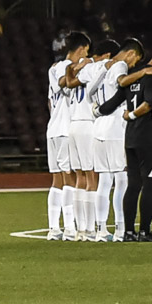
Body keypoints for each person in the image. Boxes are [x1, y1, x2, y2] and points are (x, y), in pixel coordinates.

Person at [114, 44, 152, 240]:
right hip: (149, 137)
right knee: (150, 183)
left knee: (133, 185)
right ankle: (144, 231)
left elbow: (116, 95)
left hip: (131, 137)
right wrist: (134, 114)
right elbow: (149, 102)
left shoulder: (133, 75)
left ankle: (128, 232)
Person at [89, 37, 143, 237]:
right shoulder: (120, 65)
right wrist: (140, 74)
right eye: (135, 59)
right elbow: (121, 82)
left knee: (104, 180)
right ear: (130, 53)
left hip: (99, 125)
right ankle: (120, 227)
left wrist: (98, 109)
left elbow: (89, 91)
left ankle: (101, 229)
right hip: (115, 126)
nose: (134, 64)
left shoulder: (102, 66)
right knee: (121, 179)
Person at [62, 38, 114, 239]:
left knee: (80, 177)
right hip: (87, 123)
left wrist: (72, 68)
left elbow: (69, 84)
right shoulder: (95, 67)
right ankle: (91, 229)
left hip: (73, 125)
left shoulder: (80, 69)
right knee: (92, 177)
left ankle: (80, 229)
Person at [44, 31, 89, 239]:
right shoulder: (63, 67)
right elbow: (64, 81)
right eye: (86, 51)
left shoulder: (52, 68)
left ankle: (54, 228)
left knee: (57, 180)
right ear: (80, 49)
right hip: (63, 129)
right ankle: (70, 227)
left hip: (53, 128)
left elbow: (50, 100)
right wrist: (78, 67)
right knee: (69, 177)